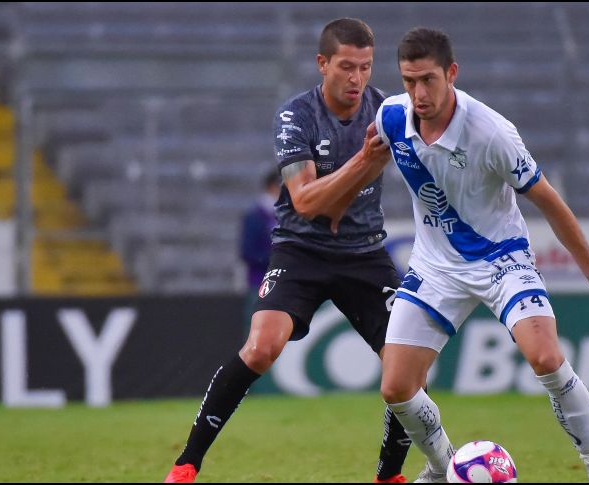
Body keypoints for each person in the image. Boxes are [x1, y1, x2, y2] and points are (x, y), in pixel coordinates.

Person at [375, 28, 589, 483]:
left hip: (502, 260)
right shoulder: (391, 116)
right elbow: (369, 156)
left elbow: (548, 198)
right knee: (396, 388)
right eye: (409, 81)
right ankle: (442, 469)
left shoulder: (491, 133)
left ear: (452, 73)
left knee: (546, 359)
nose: (418, 93)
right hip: (435, 266)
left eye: (428, 80)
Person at [164, 18, 412, 483]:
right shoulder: (296, 116)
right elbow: (305, 200)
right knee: (260, 349)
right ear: (322, 64)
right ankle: (186, 464)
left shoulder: (387, 111)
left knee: (406, 365)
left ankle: (389, 475)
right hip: (301, 249)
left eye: (365, 67)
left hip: (366, 253)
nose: (357, 78)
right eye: (346, 67)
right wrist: (365, 159)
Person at [239, 169, 282, 334]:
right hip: (260, 283)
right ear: (272, 187)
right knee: (256, 334)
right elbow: (247, 252)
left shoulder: (286, 215)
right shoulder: (256, 217)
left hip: (282, 284)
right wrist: (277, 259)